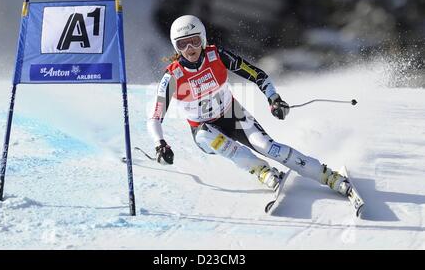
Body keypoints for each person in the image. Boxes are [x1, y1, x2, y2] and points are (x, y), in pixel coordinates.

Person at [147, 15, 350, 196]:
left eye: (194, 41)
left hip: (232, 113)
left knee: (268, 147)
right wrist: (160, 144)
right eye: (183, 44)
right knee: (208, 136)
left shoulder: (216, 55)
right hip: (203, 129)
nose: (190, 49)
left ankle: (328, 176)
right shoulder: (173, 75)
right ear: (176, 47)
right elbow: (155, 116)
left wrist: (274, 98)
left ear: (203, 39)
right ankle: (261, 170)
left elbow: (257, 75)